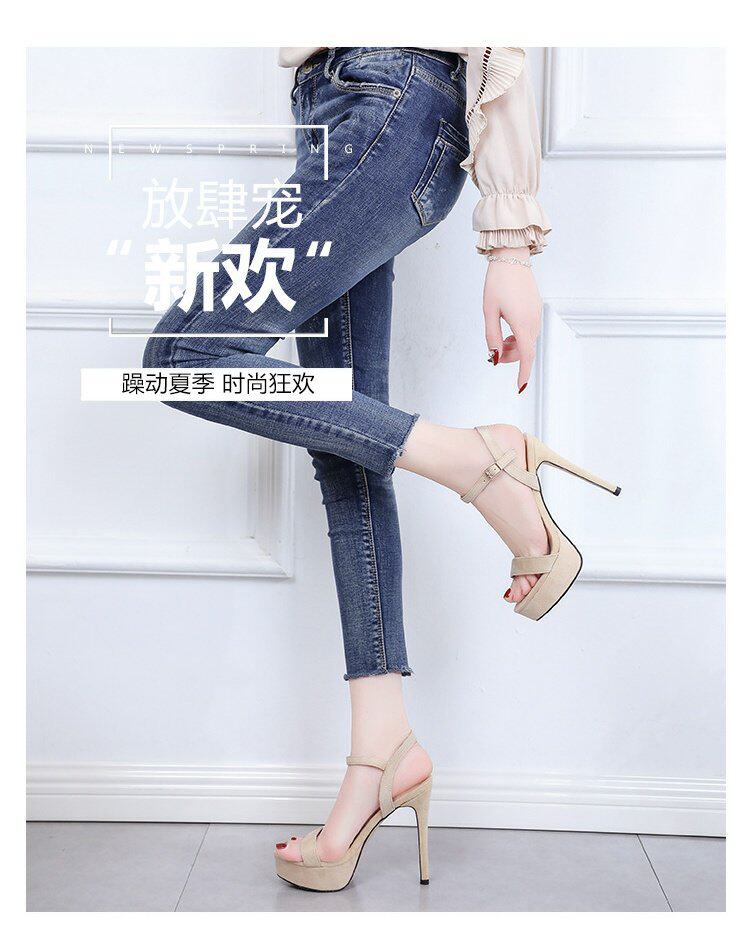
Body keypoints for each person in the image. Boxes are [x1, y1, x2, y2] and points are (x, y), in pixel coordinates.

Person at [142, 47, 618, 891]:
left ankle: (477, 460)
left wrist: (511, 249)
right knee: (347, 451)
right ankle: (382, 751)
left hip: (389, 101)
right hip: (337, 113)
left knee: (184, 357)